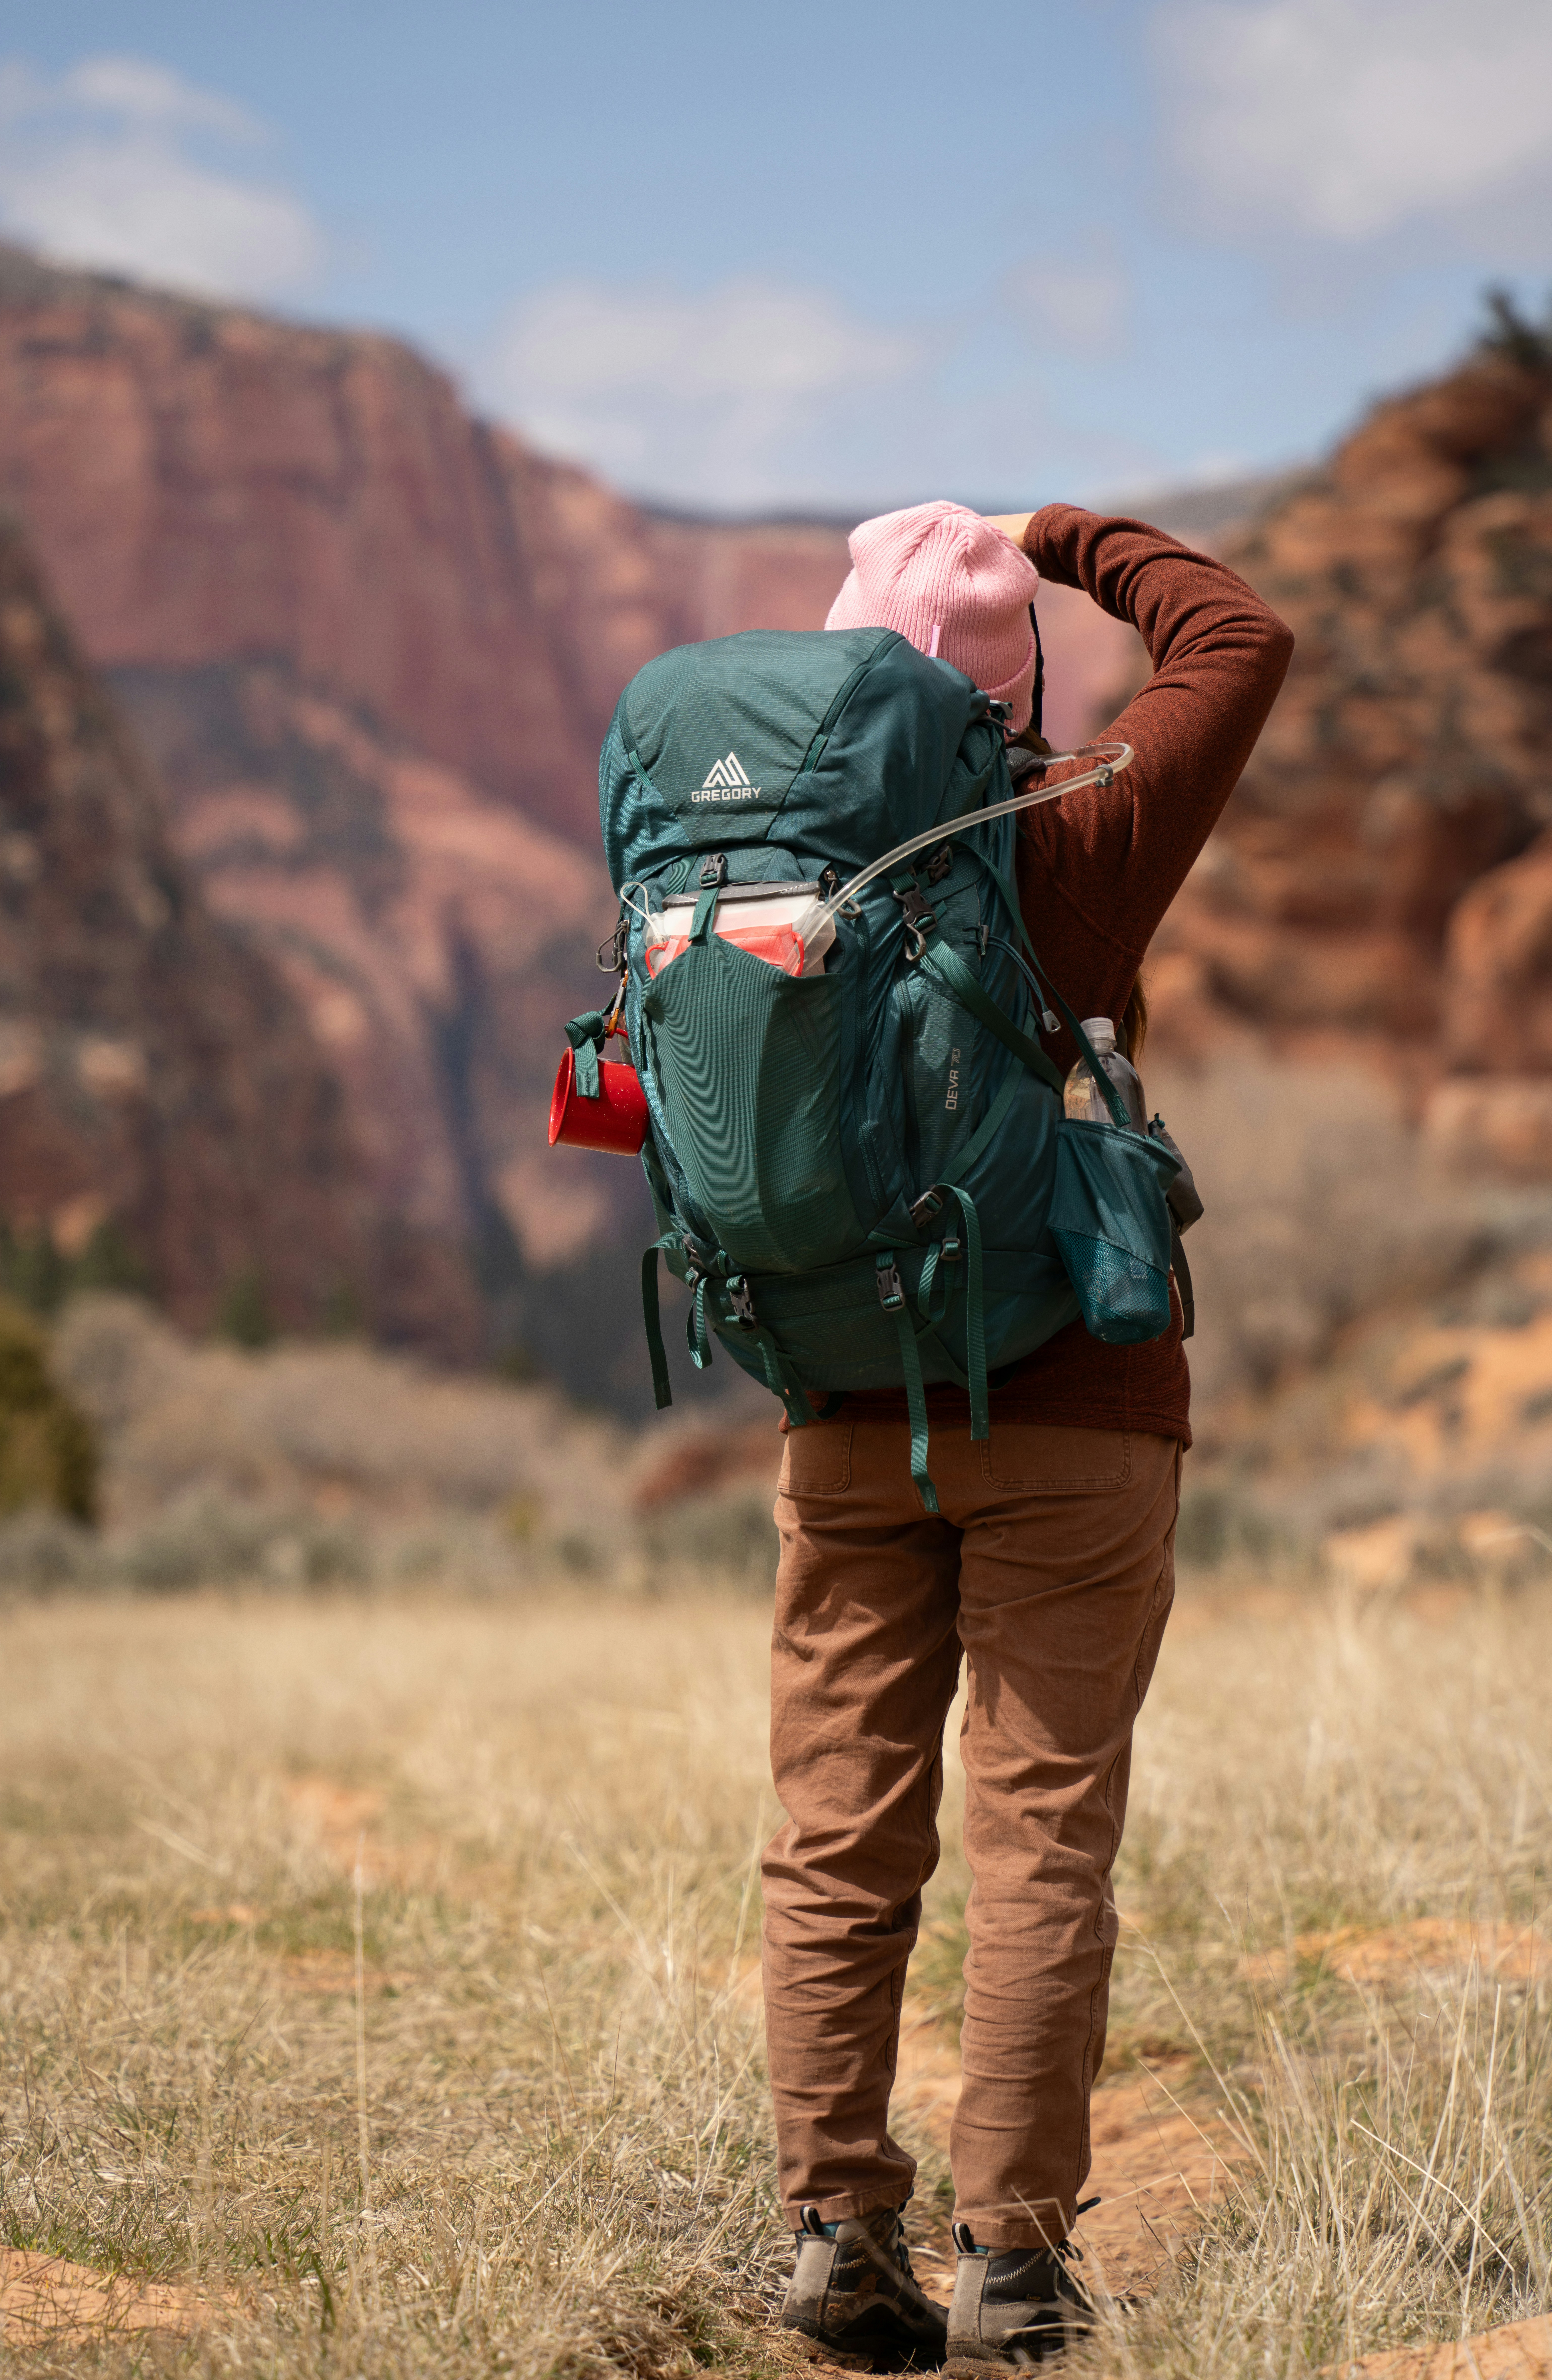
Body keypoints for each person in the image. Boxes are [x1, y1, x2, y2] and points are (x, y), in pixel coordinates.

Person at [767, 500, 1293, 2369]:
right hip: (1077, 1399)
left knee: (839, 1834)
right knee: (1044, 1832)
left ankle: (836, 2221)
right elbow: (1237, 640)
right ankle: (1012, 2262)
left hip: (844, 1405)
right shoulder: (1071, 831)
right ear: (1020, 690)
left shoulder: (762, 861)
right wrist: (1062, 530)